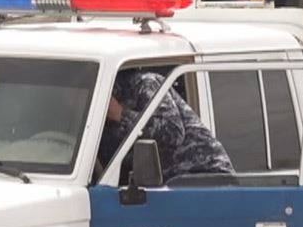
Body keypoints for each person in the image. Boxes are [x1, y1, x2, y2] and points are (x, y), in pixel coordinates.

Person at [98, 71, 233, 183]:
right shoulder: (97, 126)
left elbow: (173, 133)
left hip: (205, 176)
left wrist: (120, 114)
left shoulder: (145, 84)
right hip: (165, 187)